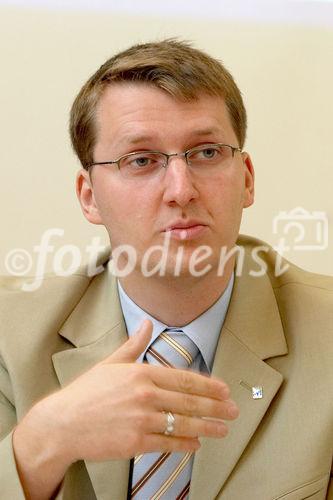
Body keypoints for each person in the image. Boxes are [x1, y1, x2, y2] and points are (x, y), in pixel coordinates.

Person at [0, 39, 332, 500]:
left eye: (207, 153)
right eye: (141, 160)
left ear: (248, 179)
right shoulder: (8, 336)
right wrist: (44, 441)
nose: (181, 190)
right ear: (89, 196)